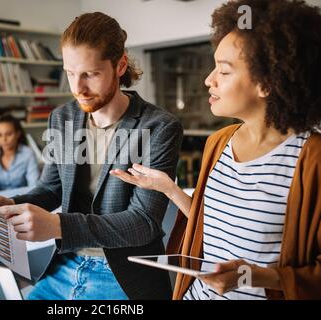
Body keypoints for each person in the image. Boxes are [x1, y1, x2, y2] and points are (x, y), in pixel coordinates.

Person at [111, 0, 321, 300]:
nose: (208, 80)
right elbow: (210, 224)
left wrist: (253, 276)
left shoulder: (313, 160)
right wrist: (169, 189)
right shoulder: (219, 142)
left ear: (268, 82)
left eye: (223, 71)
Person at [0, 12, 183, 300]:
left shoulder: (159, 127)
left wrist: (58, 225)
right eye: (70, 73)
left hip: (122, 276)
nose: (78, 88)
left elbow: (143, 223)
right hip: (65, 264)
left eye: (90, 74)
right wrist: (13, 204)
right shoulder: (61, 118)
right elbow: (51, 188)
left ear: (120, 64)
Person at [0, 114, 40, 194]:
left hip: (21, 200)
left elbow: (34, 186)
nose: (4, 139)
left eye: (9, 134)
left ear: (18, 134)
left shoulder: (28, 154)